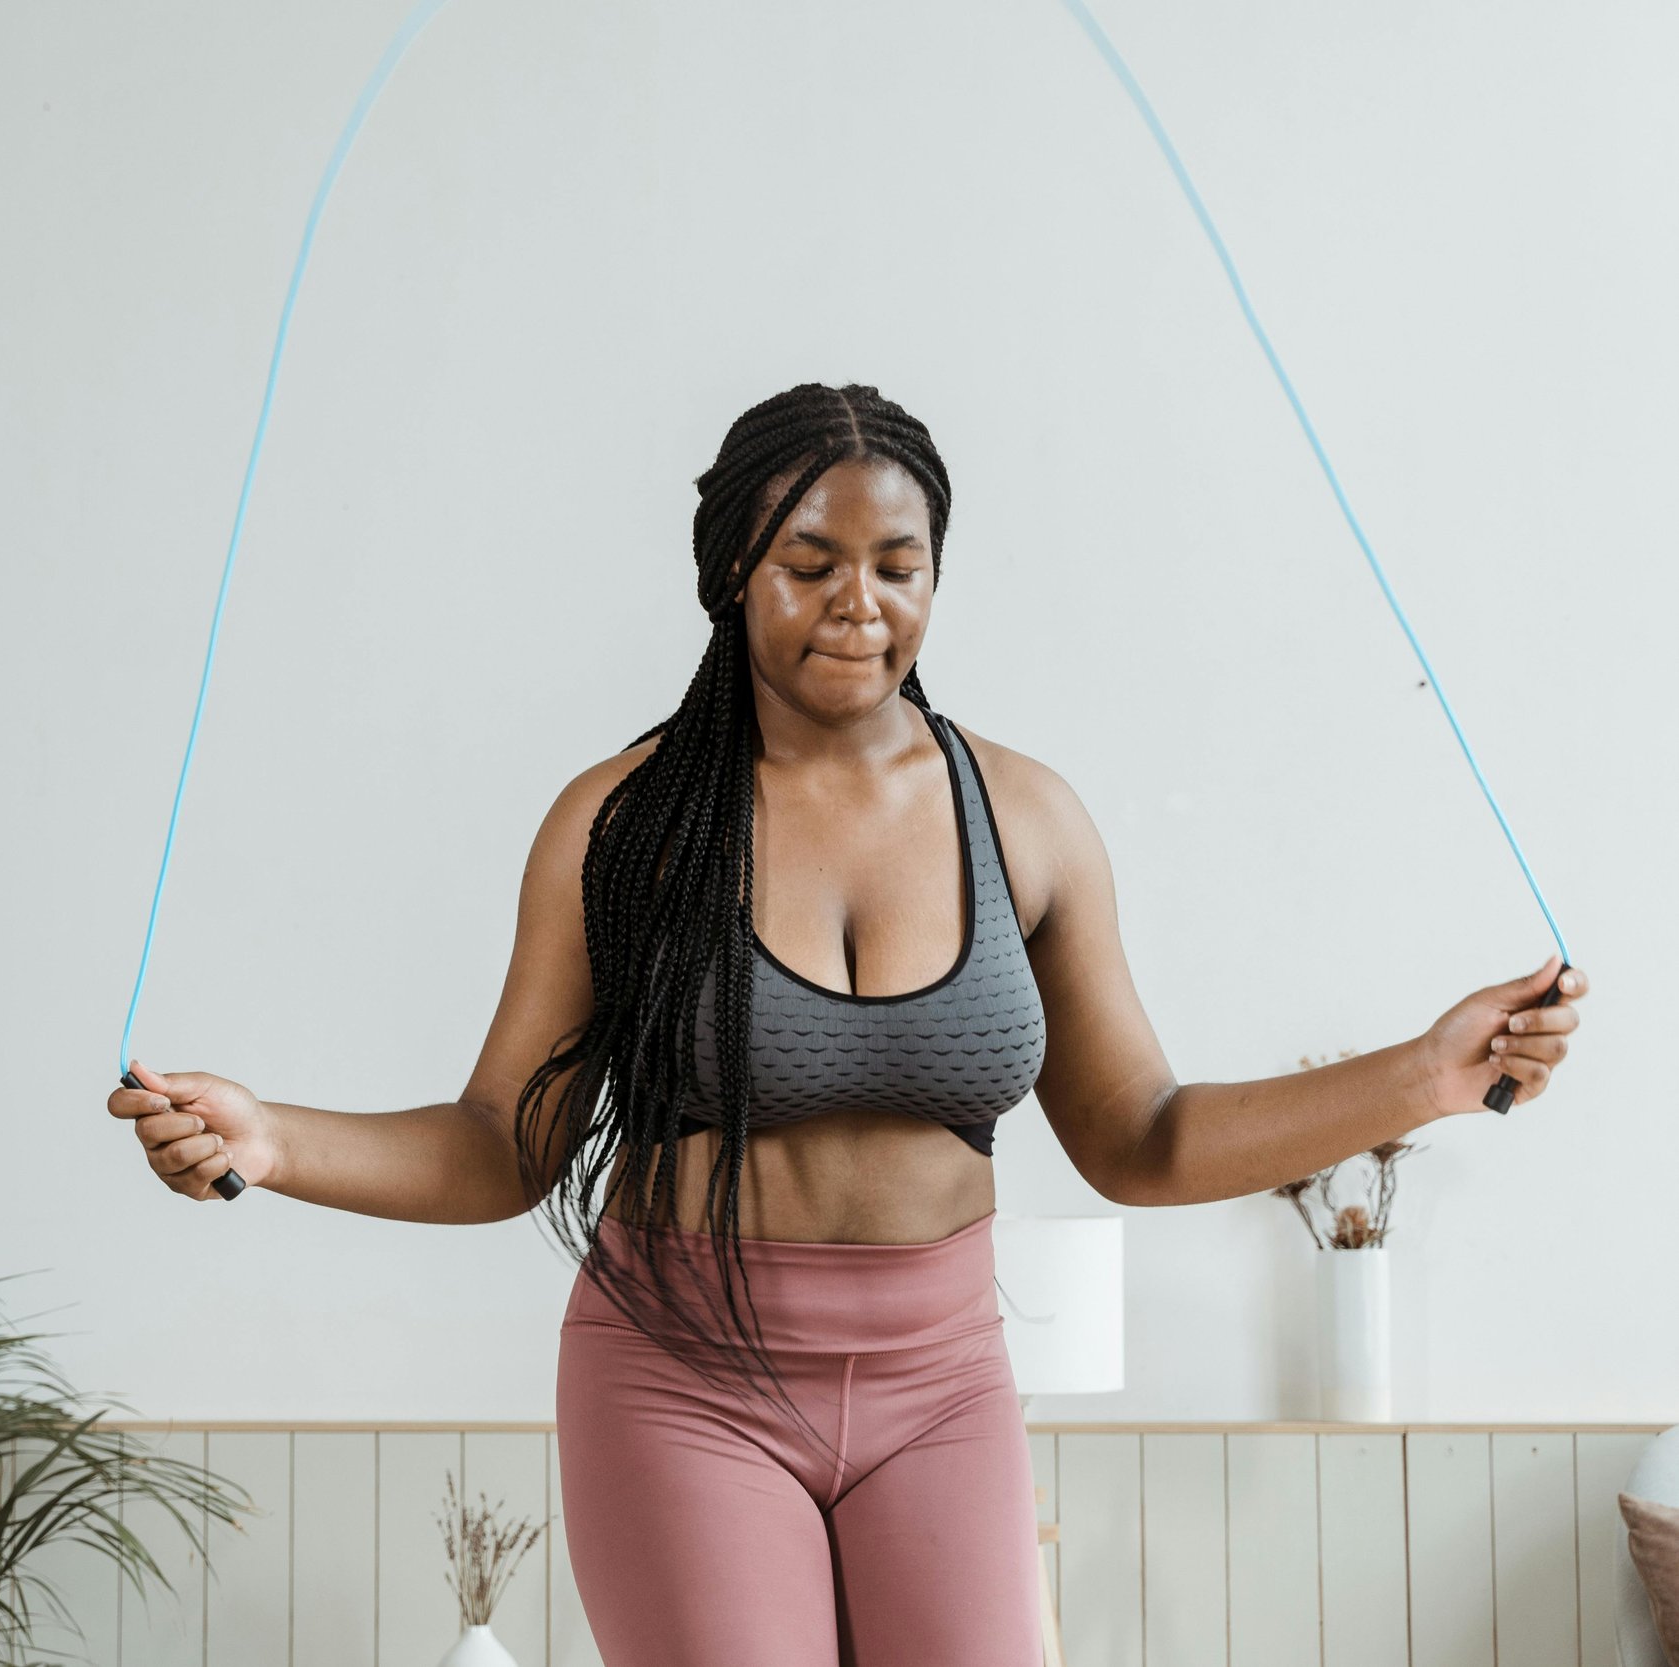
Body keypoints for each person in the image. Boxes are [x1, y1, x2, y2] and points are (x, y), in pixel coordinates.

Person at [105, 381, 1589, 1666]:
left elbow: (1144, 1137)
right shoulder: (624, 828)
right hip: (685, 1380)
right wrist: (272, 1139)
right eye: (808, 564)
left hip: (944, 1380)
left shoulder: (1027, 818)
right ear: (731, 574)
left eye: (897, 563)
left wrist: (1430, 1074)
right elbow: (505, 1148)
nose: (858, 604)